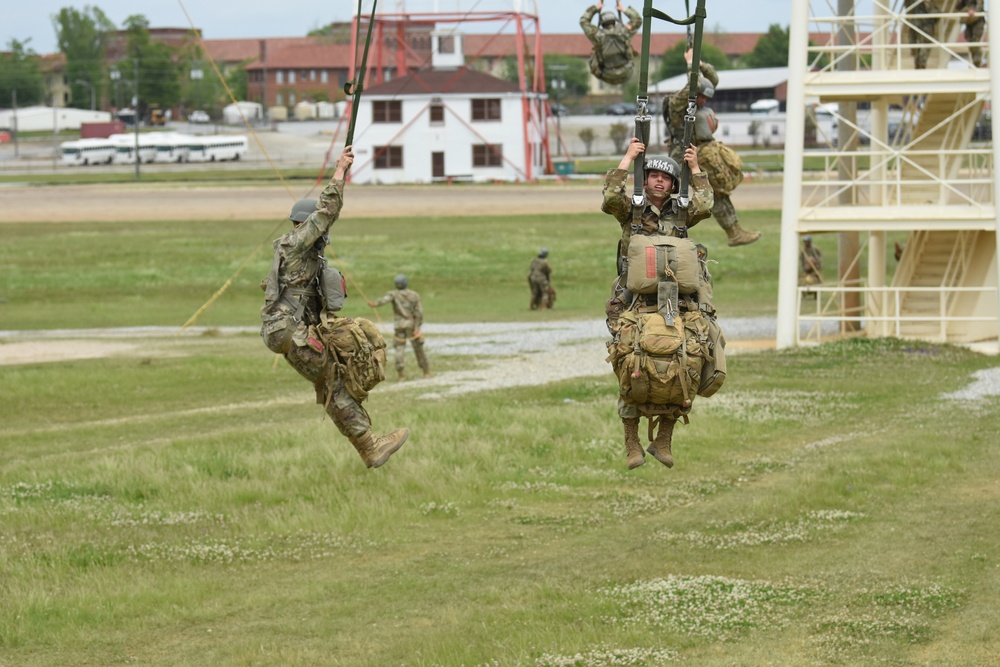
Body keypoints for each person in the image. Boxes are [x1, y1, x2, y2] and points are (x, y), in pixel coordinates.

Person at [259, 146, 409, 469]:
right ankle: (370, 445)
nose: (324, 235)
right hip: (290, 331)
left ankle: (369, 447)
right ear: (306, 224)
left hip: (286, 333)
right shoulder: (296, 243)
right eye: (319, 230)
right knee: (343, 364)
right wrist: (340, 171)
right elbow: (326, 211)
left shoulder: (301, 255)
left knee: (331, 384)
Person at [602, 137, 714, 470]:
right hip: (633, 299)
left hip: (675, 300)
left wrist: (695, 168)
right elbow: (609, 199)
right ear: (645, 178)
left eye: (666, 177)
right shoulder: (631, 208)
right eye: (653, 175)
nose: (659, 181)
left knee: (686, 361)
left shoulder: (681, 213)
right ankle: (632, 440)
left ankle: (664, 438)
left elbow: (705, 205)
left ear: (674, 184)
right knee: (629, 361)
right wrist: (627, 158)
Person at [664, 49, 761, 247]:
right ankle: (731, 232)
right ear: (694, 94)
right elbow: (694, 84)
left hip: (699, 154)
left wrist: (699, 64)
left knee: (718, 192)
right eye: (702, 97)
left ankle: (734, 231)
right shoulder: (678, 105)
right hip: (685, 156)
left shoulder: (696, 104)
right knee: (704, 194)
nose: (705, 101)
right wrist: (690, 65)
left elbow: (712, 80)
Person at [368, 274, 431, 381]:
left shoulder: (393, 294)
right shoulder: (414, 295)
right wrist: (417, 327)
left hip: (399, 325)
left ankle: (400, 375)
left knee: (399, 349)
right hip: (411, 326)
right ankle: (426, 372)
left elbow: (383, 300)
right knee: (418, 349)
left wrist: (374, 304)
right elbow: (419, 313)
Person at [580, 1, 642, 85]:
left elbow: (583, 21)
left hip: (606, 74)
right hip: (627, 72)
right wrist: (623, 9)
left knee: (594, 54)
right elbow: (637, 20)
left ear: (602, 23)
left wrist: (595, 9)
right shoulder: (624, 32)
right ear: (614, 21)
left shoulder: (597, 35)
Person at [904, 0, 940, 69]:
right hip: (925, 23)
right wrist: (939, 13)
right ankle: (921, 64)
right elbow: (931, 11)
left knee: (919, 45)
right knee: (925, 45)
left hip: (914, 22)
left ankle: (918, 64)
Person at [958, 0, 986, 67]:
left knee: (975, 41)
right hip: (969, 22)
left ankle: (977, 63)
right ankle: (975, 63)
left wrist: (974, 11)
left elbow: (980, 6)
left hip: (978, 21)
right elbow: (959, 8)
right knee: (970, 41)